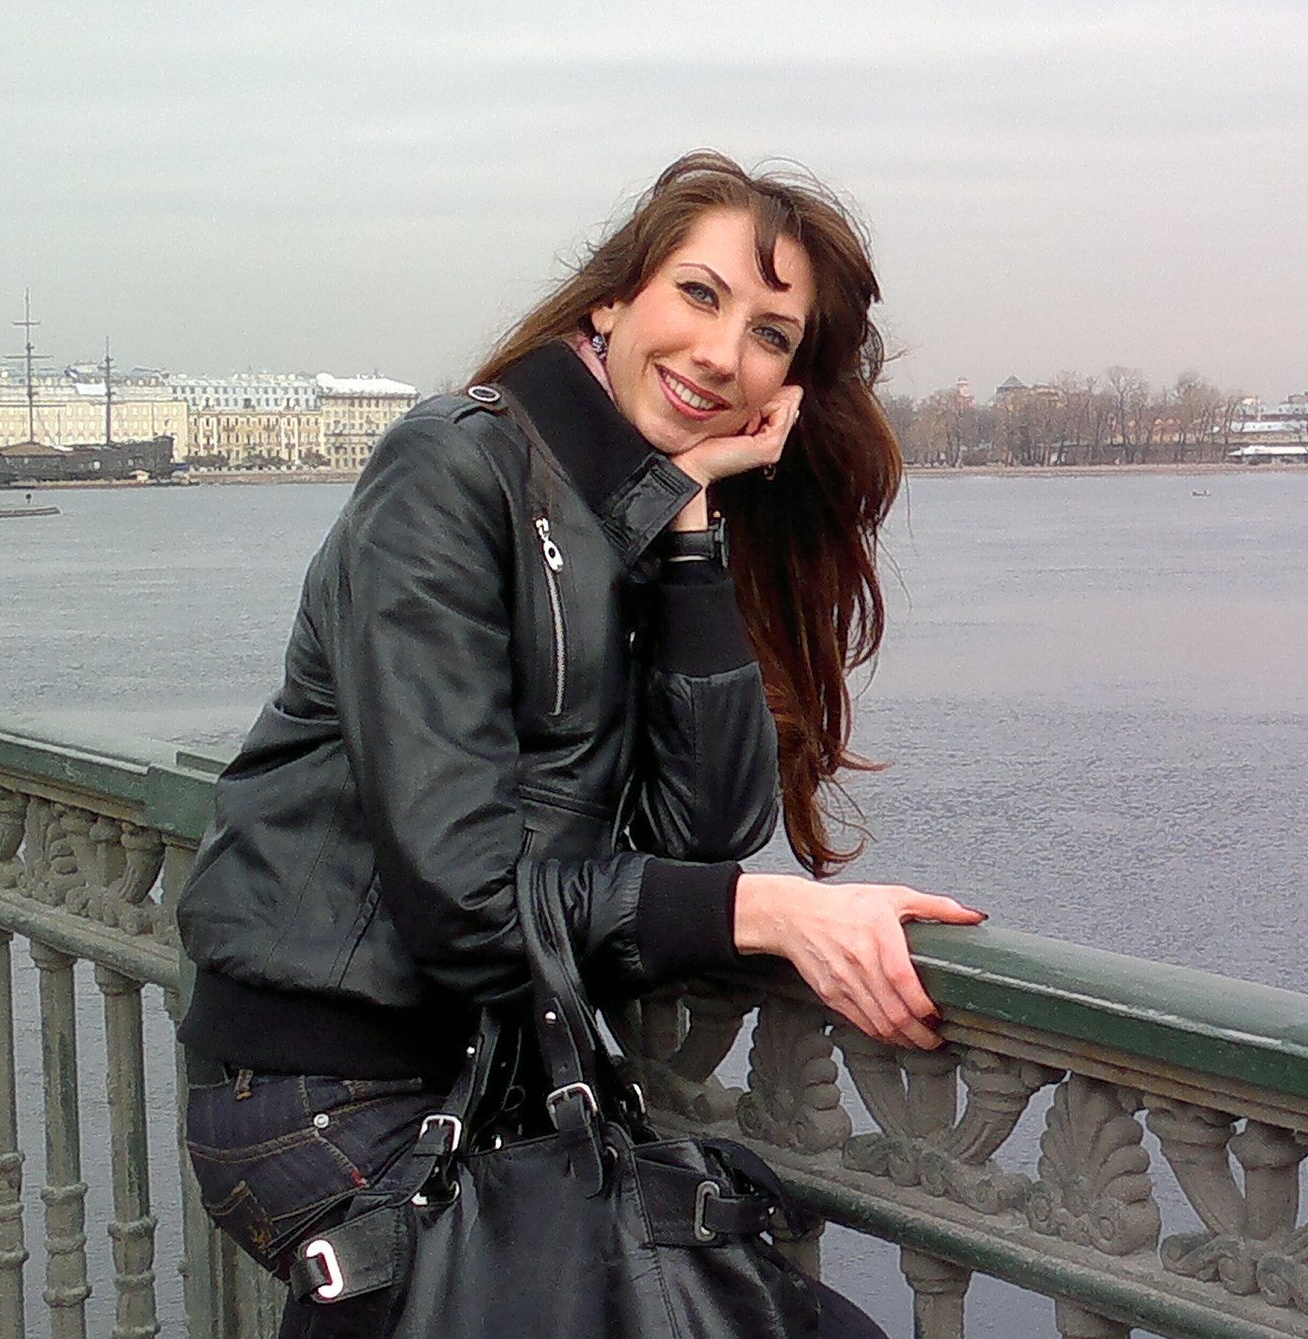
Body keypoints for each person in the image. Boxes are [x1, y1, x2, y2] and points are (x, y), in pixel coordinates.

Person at [174, 152, 978, 1333]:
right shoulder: (453, 466)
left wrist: (690, 526)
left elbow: (705, 828)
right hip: (323, 1097)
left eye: (770, 334)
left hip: (496, 1083)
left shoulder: (633, 515)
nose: (723, 354)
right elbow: (465, 907)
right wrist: (769, 913)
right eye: (698, 294)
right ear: (612, 300)